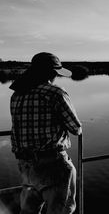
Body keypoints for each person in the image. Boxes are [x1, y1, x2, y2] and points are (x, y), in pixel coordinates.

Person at [9, 52, 82, 214]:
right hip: (52, 165)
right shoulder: (55, 93)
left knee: (28, 210)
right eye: (56, 73)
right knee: (61, 209)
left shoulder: (16, 95)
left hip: (26, 166)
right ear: (51, 73)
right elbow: (76, 128)